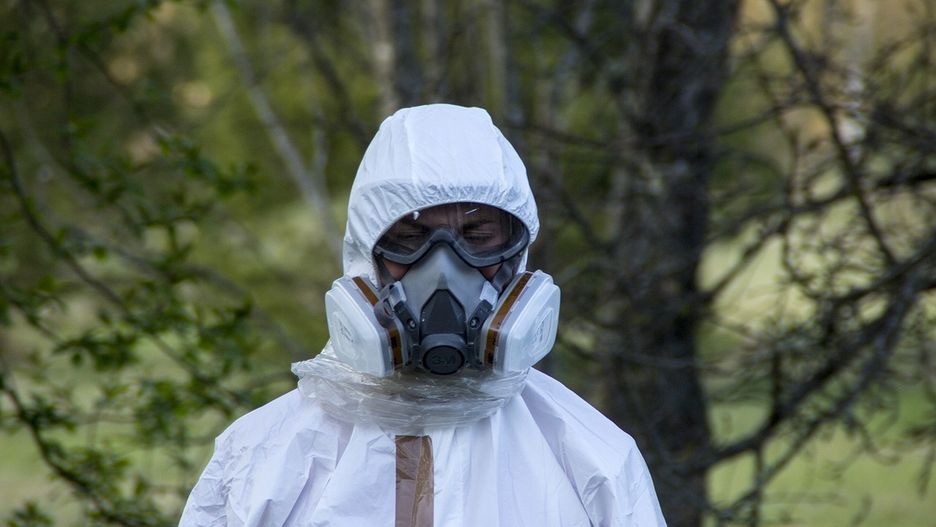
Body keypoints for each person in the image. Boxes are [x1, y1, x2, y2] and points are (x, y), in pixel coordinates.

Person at [179, 104, 666, 526]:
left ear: (517, 257)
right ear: (366, 257)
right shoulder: (261, 460)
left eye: (478, 238)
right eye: (410, 239)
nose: (443, 271)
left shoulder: (592, 460)